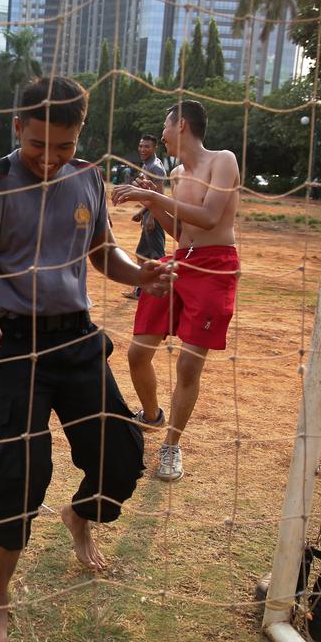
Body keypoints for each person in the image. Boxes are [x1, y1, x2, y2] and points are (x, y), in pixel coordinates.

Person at [0, 77, 173, 642]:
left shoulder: (86, 175)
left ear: (79, 135)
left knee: (122, 459)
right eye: (38, 144)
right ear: (17, 128)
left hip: (79, 339)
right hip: (13, 346)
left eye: (62, 146)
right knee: (20, 474)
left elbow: (101, 253)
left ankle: (78, 515)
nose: (49, 157)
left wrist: (139, 273)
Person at [113, 99, 241, 482]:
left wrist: (152, 198)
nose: (162, 135)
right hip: (179, 261)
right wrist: (157, 201)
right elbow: (183, 233)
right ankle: (151, 416)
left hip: (216, 265)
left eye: (165, 128)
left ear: (181, 125)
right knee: (137, 353)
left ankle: (171, 446)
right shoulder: (176, 175)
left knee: (188, 363)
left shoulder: (223, 160)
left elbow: (210, 217)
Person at [123, 134, 167, 300]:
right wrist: (142, 213)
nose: (142, 149)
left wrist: (151, 218)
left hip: (155, 218)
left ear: (154, 148)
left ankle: (161, 294)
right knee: (141, 254)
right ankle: (139, 291)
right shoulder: (147, 164)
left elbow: (160, 196)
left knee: (157, 256)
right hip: (149, 214)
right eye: (141, 146)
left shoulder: (155, 167)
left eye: (146, 146)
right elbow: (150, 195)